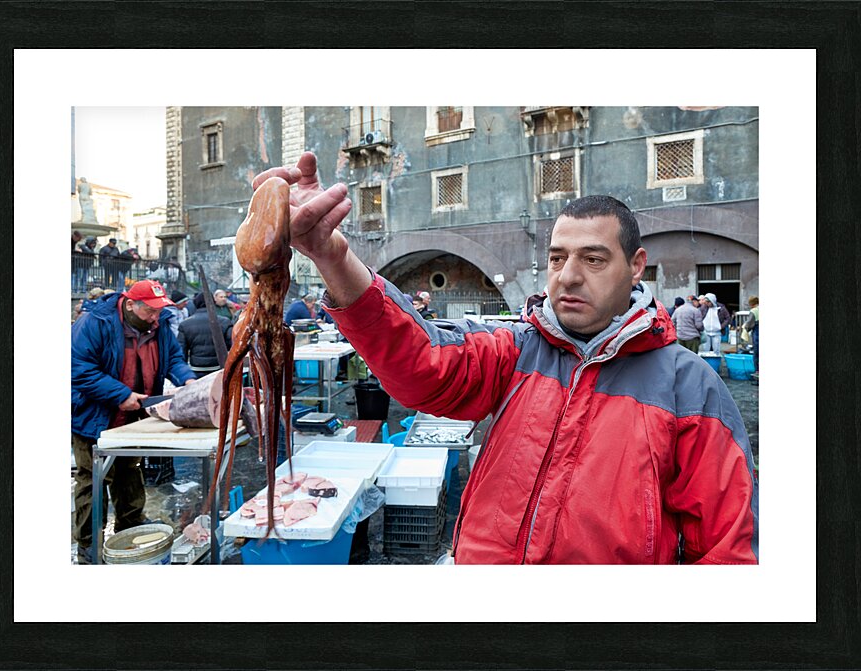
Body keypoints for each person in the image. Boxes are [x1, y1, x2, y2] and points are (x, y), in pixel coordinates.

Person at [248, 152, 758, 565]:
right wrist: (331, 256)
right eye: (558, 258)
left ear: (635, 267)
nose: (569, 275)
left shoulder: (691, 387)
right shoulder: (518, 349)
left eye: (594, 258)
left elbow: (727, 553)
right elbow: (420, 361)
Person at [71, 279, 196, 563]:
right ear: (130, 304)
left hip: (133, 419)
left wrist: (187, 380)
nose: (155, 316)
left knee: (129, 470)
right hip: (94, 417)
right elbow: (78, 369)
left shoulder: (159, 325)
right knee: (93, 480)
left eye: (158, 310)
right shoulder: (94, 323)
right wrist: (120, 395)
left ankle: (131, 523)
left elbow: (173, 357)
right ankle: (89, 546)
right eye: (149, 311)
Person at [178, 292, 234, 374]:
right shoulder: (224, 322)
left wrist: (185, 374)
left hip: (196, 369)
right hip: (218, 368)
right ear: (213, 303)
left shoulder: (185, 324)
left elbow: (181, 352)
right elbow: (231, 345)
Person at [744, 296, 759, 373]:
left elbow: (749, 324)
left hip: (758, 335)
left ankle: (758, 374)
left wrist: (744, 328)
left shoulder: (754, 311)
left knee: (757, 355)